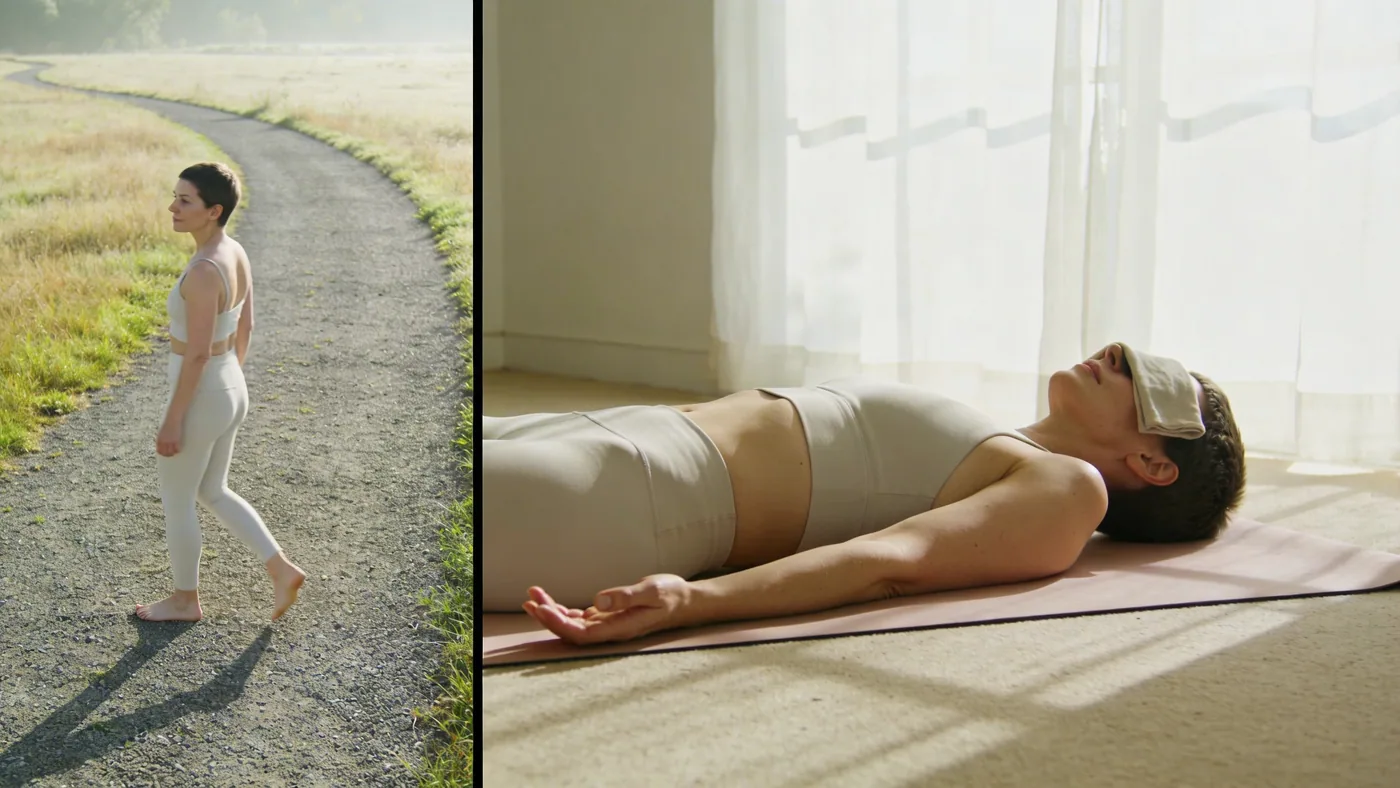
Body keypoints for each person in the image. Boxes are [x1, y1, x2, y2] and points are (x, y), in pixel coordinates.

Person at [484, 343, 1246, 646]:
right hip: (610, 431)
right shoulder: (1001, 437)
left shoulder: (1069, 491)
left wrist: (689, 602)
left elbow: (885, 561)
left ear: (1153, 463)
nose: (1119, 350)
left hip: (634, 497)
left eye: (1155, 385)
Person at [135, 162, 306, 623]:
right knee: (213, 489)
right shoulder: (234, 252)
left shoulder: (206, 269)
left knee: (177, 498)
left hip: (206, 390)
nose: (173, 206)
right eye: (174, 196)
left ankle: (184, 600)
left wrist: (175, 419)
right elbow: (245, 326)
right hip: (229, 384)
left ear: (214, 210)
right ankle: (281, 568)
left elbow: (195, 356)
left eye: (184, 200)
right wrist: (228, 385)